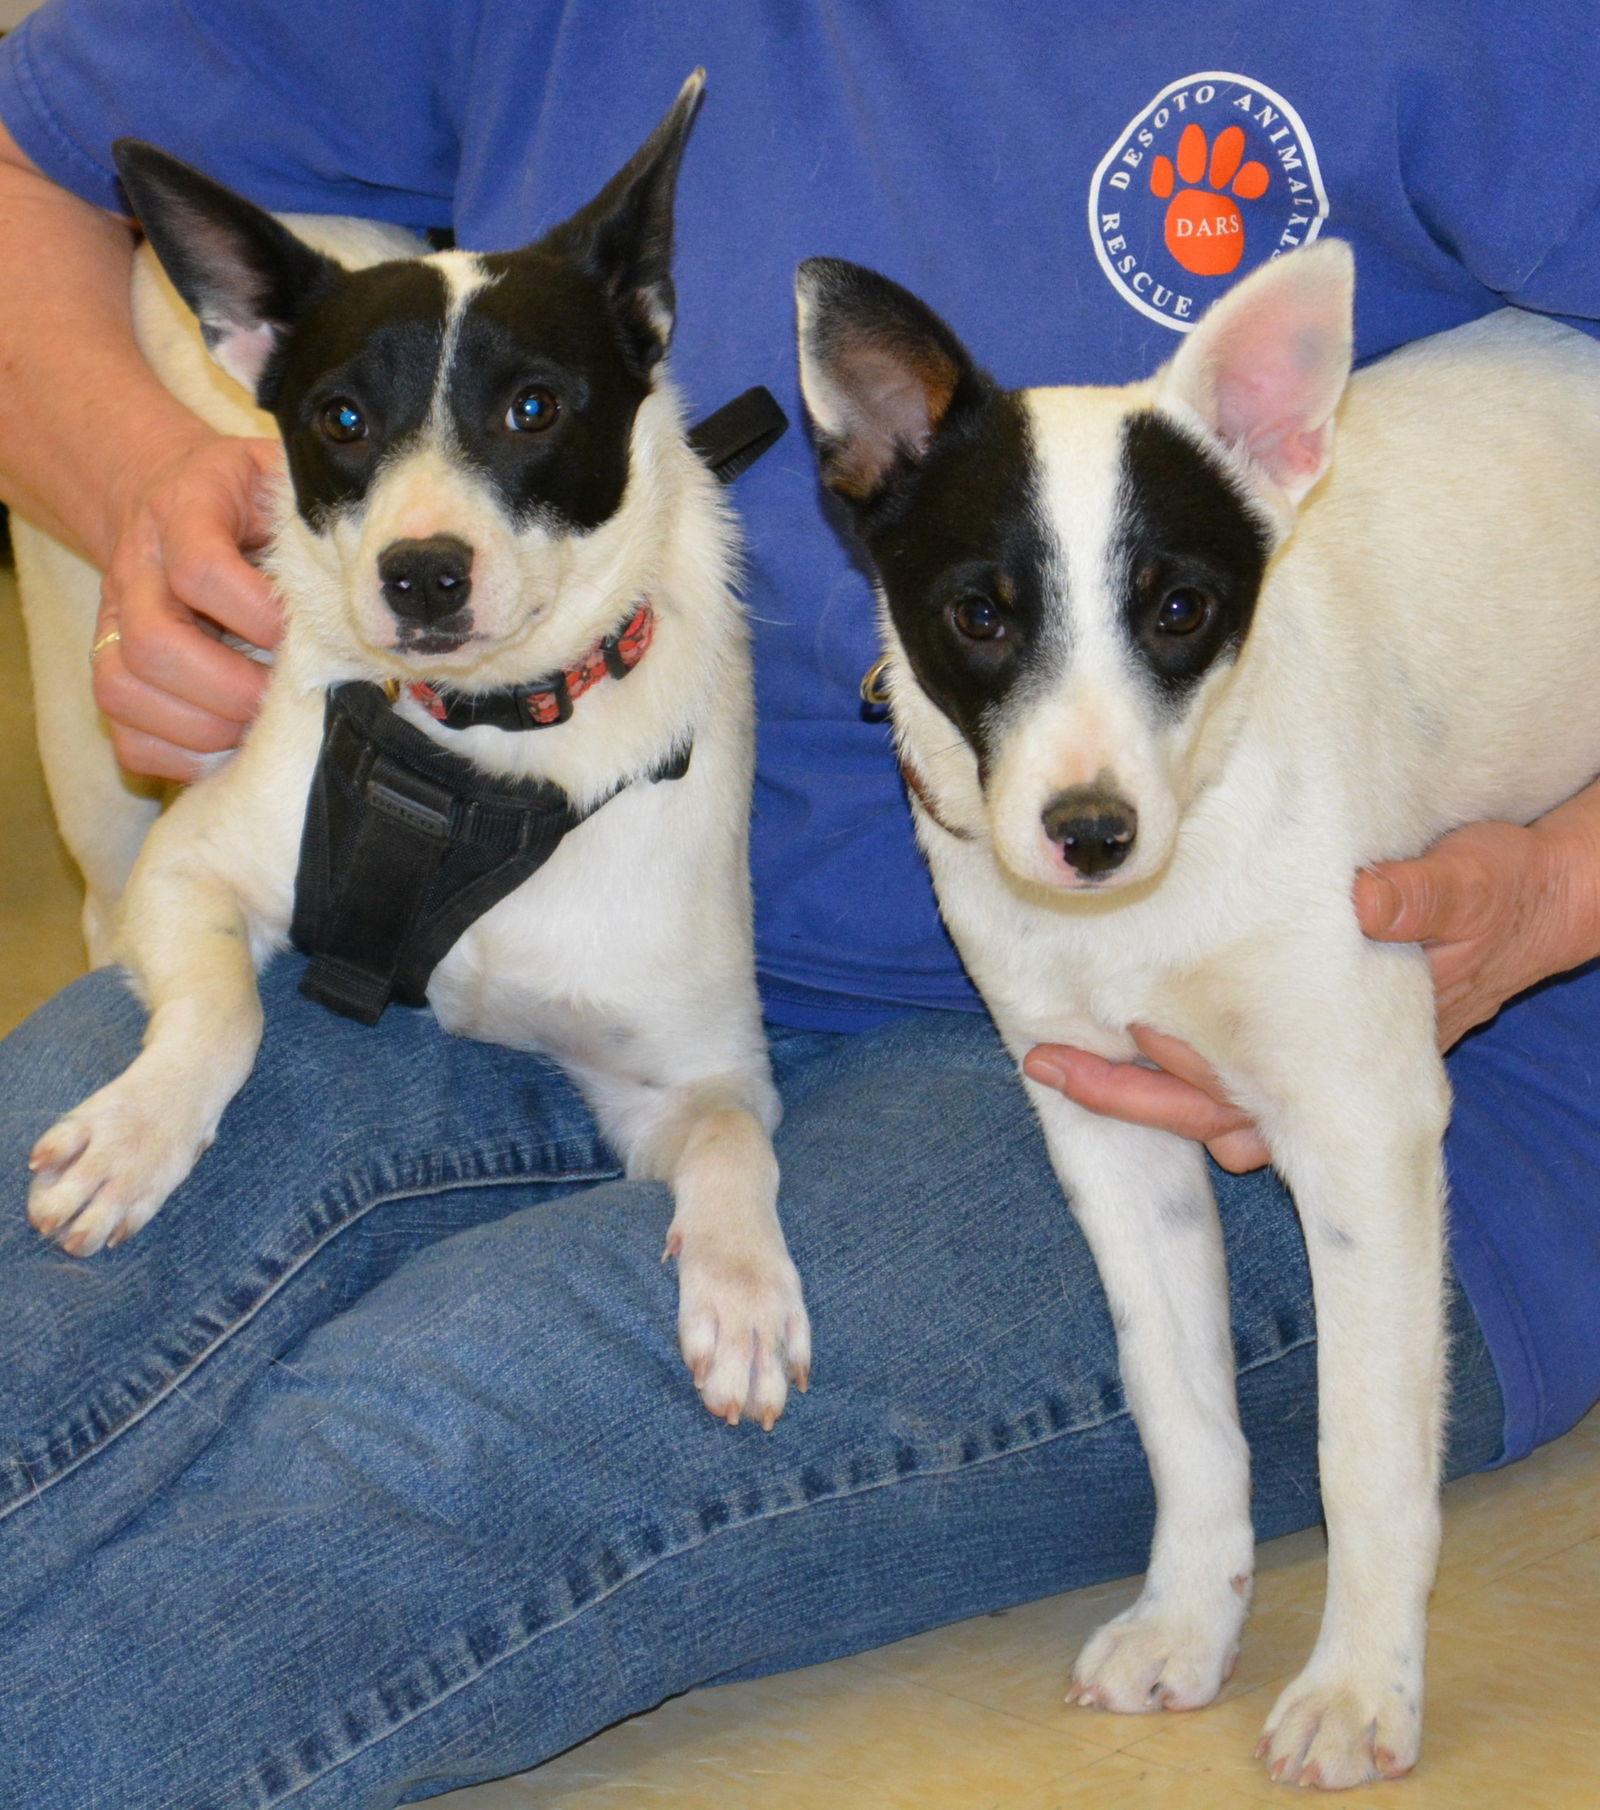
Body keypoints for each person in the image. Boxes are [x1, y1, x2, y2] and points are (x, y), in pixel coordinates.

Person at [0, 2, 1596, 1803]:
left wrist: (1556, 885)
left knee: (412, 1455)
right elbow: (27, 167)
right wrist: (144, 490)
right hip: (516, 904)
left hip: (1250, 1042)